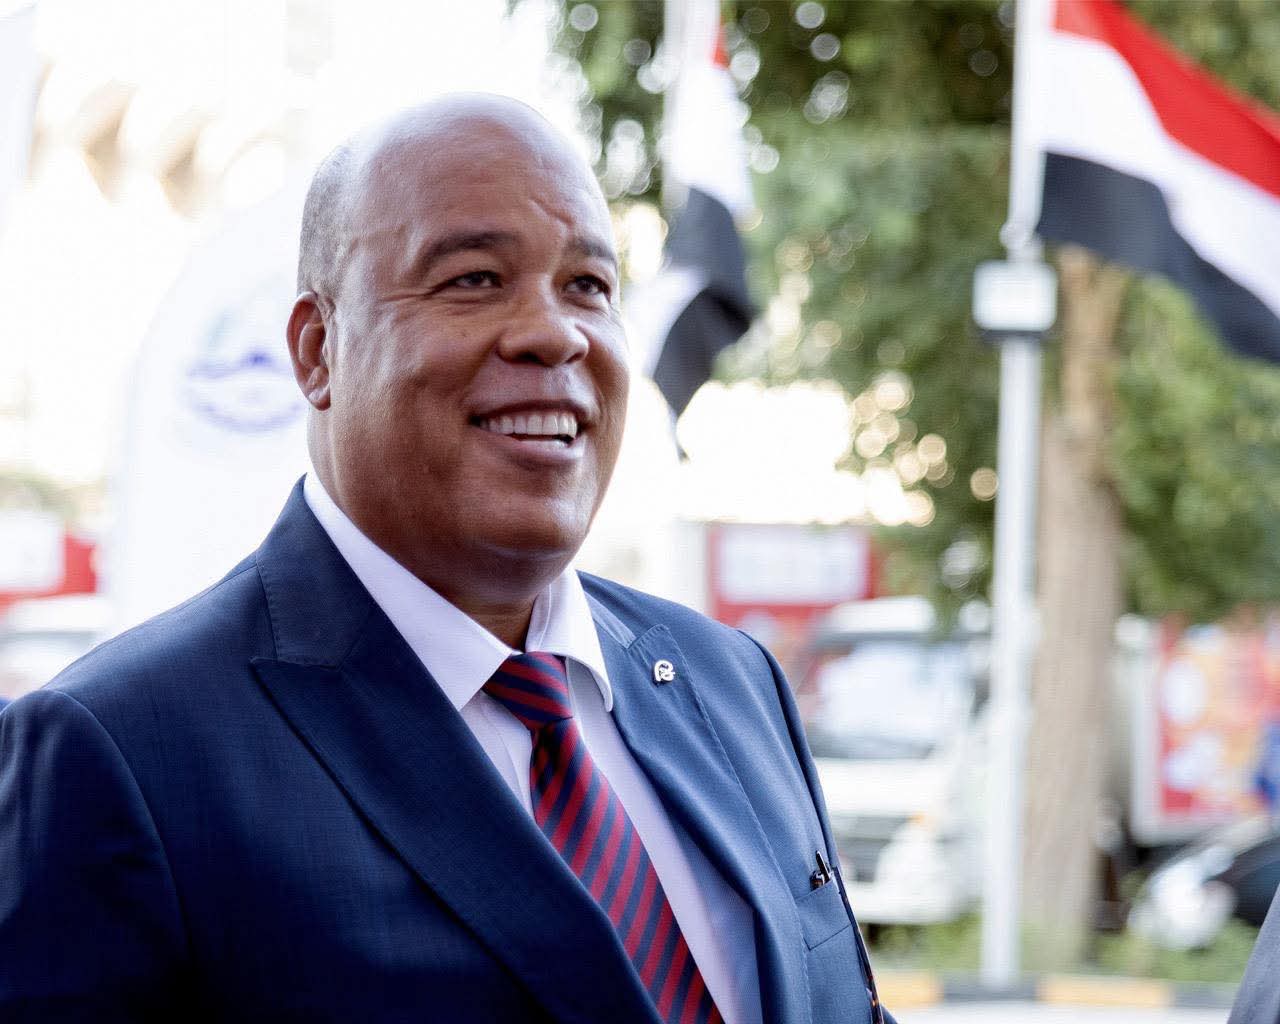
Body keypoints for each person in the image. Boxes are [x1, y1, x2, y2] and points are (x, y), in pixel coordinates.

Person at [0, 94, 891, 1024]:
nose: (555, 332)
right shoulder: (122, 753)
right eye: (474, 279)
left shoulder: (732, 681)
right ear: (317, 351)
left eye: (588, 285)